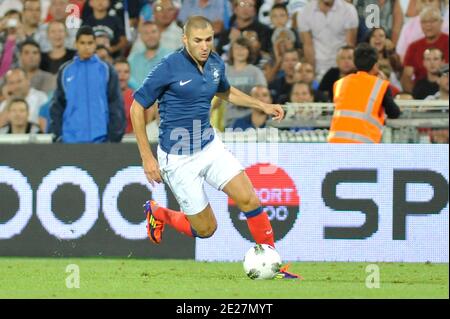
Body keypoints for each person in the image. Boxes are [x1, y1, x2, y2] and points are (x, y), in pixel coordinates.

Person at [130, 16, 299, 279]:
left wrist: (262, 105)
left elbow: (225, 91)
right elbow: (137, 107)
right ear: (185, 40)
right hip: (177, 159)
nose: (204, 46)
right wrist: (146, 157)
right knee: (206, 230)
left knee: (248, 198)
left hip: (209, 146)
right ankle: (158, 212)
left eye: (208, 39)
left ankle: (273, 263)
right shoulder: (168, 67)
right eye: (198, 40)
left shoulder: (215, 63)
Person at [49, 25, 125, 143]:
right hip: (70, 140)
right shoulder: (65, 71)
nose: (86, 47)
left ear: (95, 44)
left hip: (101, 140)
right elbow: (57, 106)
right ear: (76, 44)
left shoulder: (106, 70)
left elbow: (115, 104)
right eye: (82, 43)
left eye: (90, 43)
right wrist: (59, 135)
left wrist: (114, 137)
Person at [327, 43, 401, 143]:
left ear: (355, 63)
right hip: (363, 146)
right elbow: (394, 113)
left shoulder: (339, 83)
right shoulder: (380, 85)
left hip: (335, 144)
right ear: (375, 65)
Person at [297, 0, 358, 81]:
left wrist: (347, 72)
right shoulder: (305, 12)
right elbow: (308, 45)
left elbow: (350, 45)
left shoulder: (348, 10)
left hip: (342, 69)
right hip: (318, 68)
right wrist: (313, 72)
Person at [401, 6, 449, 93]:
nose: (428, 25)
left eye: (432, 21)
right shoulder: (413, 47)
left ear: (441, 22)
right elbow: (407, 77)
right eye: (424, 22)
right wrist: (416, 97)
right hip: (420, 93)